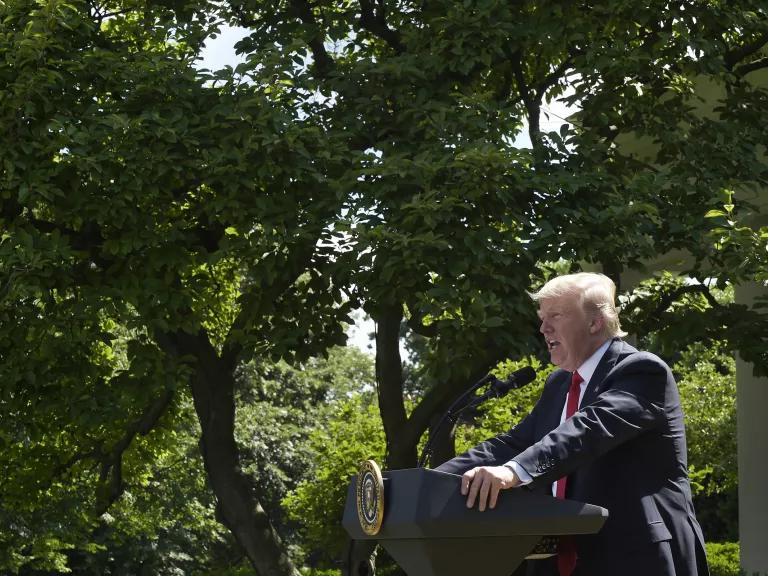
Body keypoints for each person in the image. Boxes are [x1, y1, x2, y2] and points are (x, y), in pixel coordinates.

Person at [436, 272, 709, 576]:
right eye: (542, 317)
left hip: (635, 557)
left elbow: (587, 430)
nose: (543, 327)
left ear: (595, 323)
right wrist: (430, 479)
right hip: (563, 560)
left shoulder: (642, 372)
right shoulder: (559, 384)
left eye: (555, 315)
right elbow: (513, 444)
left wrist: (511, 472)